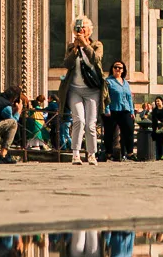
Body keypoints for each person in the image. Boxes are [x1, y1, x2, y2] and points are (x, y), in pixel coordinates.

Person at [58, 18, 104, 163]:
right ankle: (76, 154)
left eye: (84, 27)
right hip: (75, 89)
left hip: (92, 90)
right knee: (78, 120)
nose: (81, 30)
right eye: (78, 28)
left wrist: (85, 45)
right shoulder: (71, 47)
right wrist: (75, 49)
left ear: (89, 30)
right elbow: (67, 63)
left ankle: (91, 154)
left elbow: (96, 60)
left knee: (90, 124)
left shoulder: (97, 45)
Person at [104, 59, 136, 161]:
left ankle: (130, 153)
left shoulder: (125, 83)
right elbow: (105, 96)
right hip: (112, 110)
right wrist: (107, 109)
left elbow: (129, 98)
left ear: (123, 70)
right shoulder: (108, 81)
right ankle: (109, 153)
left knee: (129, 130)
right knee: (109, 132)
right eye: (115, 67)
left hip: (125, 109)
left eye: (120, 67)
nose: (117, 69)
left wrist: (132, 111)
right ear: (112, 69)